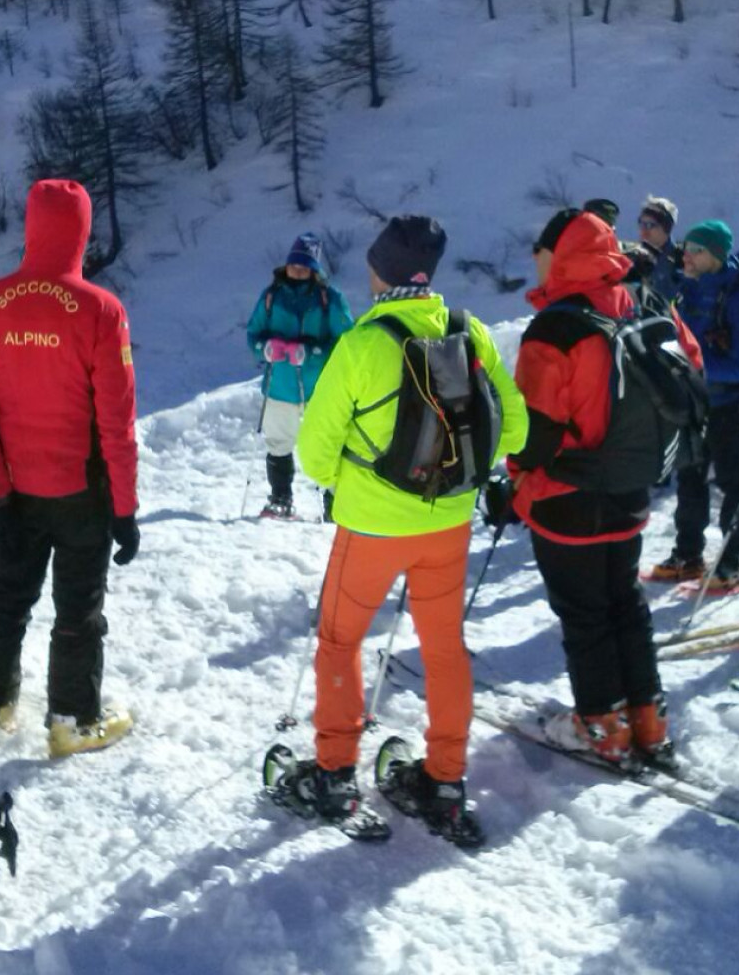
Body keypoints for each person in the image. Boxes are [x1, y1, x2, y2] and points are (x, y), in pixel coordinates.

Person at [290, 215, 528, 843]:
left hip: (370, 525)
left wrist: (356, 470)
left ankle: (336, 773)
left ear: (379, 271)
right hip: (448, 523)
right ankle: (444, 780)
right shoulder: (467, 331)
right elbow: (517, 430)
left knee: (340, 641)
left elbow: (313, 457)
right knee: (444, 648)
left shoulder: (364, 344)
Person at [0, 179, 140, 759]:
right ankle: (72, 719)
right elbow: (117, 423)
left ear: (31, 227)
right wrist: (126, 509)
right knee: (78, 609)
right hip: (83, 492)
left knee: (7, 595)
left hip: (13, 491)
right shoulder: (101, 310)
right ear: (82, 232)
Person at [511, 211, 703, 768]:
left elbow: (534, 430)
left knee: (584, 612)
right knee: (625, 602)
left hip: (565, 495)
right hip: (632, 488)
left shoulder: (556, 328)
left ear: (560, 254)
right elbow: (692, 365)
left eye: (541, 250)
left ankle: (601, 725)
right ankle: (648, 719)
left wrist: (515, 478)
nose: (536, 260)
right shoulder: (645, 302)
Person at [647, 219, 739, 590]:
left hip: (728, 403)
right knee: (690, 476)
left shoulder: (738, 298)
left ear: (715, 254)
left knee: (732, 481)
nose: (687, 255)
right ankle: (688, 553)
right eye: (688, 248)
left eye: (696, 250)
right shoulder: (690, 289)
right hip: (694, 400)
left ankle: (735, 559)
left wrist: (691, 362)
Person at [244, 233, 355, 519]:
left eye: (305, 266)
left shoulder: (329, 299)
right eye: (295, 264)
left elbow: (348, 342)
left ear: (315, 269)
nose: (298, 270)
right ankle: (281, 498)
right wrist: (264, 348)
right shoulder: (271, 296)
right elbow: (253, 333)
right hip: (279, 385)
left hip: (320, 387)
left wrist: (313, 352)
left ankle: (336, 503)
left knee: (327, 444)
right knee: (278, 442)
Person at [636, 195, 683, 305]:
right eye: (641, 224)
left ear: (666, 228)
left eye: (650, 225)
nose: (644, 230)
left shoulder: (681, 260)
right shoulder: (634, 257)